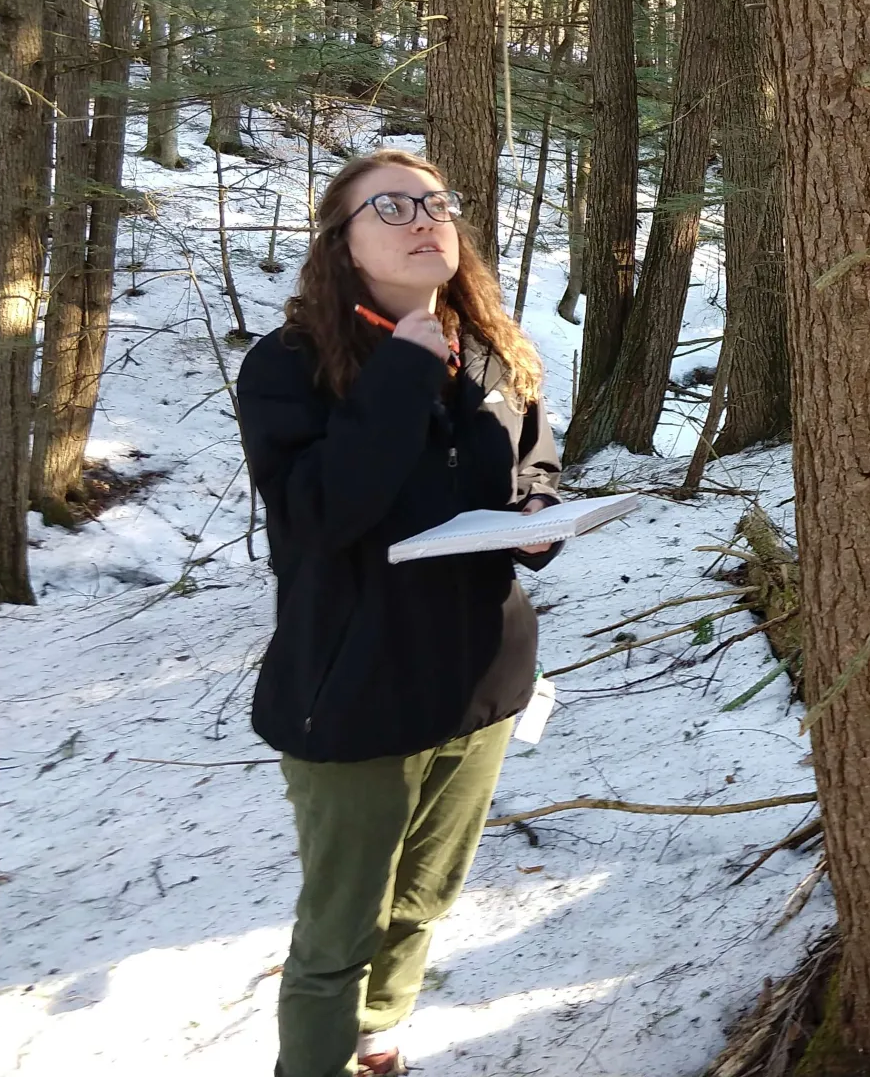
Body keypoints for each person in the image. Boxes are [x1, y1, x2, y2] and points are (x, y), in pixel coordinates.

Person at [238, 150, 562, 1077]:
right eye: (391, 207)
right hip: (354, 688)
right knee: (341, 926)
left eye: (437, 204)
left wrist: (539, 514)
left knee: (425, 899)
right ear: (342, 244)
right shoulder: (289, 365)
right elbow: (321, 513)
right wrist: (403, 372)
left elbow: (532, 460)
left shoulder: (491, 348)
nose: (425, 219)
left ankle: (380, 1042)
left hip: (481, 679)